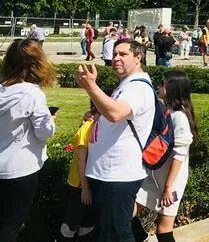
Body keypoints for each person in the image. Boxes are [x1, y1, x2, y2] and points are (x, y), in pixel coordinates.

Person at [75, 40, 156, 242]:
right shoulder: (126, 85)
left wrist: (91, 86)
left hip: (118, 177)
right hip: (107, 174)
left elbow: (115, 113)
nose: (116, 58)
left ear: (138, 58)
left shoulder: (138, 88)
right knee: (107, 233)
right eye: (115, 54)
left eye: (123, 54)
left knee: (116, 235)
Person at [0, 39, 57, 240]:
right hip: (20, 169)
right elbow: (44, 132)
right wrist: (50, 120)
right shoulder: (32, 94)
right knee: (10, 227)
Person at [134, 71, 197, 241]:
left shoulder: (179, 117)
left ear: (172, 88)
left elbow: (180, 154)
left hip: (171, 182)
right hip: (152, 176)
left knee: (164, 230)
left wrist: (169, 187)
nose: (158, 87)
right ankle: (143, 238)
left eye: (162, 84)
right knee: (126, 214)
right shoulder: (164, 111)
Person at [57, 102, 97, 242]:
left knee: (86, 225)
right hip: (79, 184)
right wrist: (85, 188)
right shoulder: (88, 128)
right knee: (69, 226)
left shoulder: (98, 126)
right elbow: (81, 159)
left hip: (89, 183)